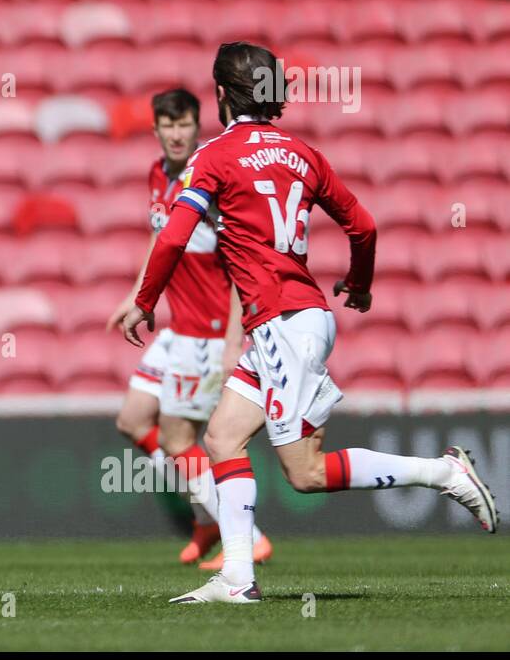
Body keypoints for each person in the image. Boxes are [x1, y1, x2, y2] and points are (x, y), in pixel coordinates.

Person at [121, 42, 498, 604]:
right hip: (294, 317)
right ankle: (237, 578)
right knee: (222, 437)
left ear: (221, 95)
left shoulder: (214, 155)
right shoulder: (303, 153)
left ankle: (443, 473)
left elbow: (175, 233)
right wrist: (361, 283)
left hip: (281, 322)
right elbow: (364, 226)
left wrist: (145, 299)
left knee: (306, 472)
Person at [106, 88, 273, 569]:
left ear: (198, 125)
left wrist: (233, 341)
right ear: (156, 128)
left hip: (209, 332)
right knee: (133, 420)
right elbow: (162, 238)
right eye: (168, 125)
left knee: (181, 440)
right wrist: (138, 295)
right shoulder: (158, 174)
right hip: (177, 328)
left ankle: (245, 533)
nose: (177, 134)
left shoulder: (213, 175)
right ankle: (206, 518)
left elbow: (244, 261)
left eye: (185, 125)